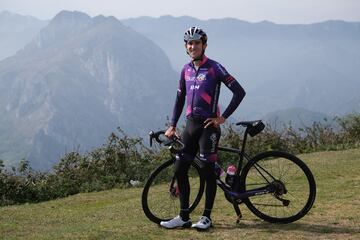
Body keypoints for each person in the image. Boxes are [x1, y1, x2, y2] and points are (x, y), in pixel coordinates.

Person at [160, 27, 246, 230]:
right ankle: (183, 217)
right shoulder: (185, 70)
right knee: (180, 169)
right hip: (190, 126)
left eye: (197, 43)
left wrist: (222, 118)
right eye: (189, 43)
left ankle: (206, 218)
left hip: (209, 127)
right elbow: (180, 98)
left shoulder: (215, 68)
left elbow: (239, 92)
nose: (193, 46)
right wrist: (172, 125)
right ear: (186, 46)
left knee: (208, 173)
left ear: (204, 45)